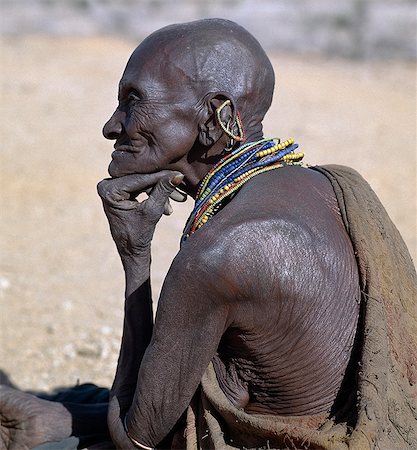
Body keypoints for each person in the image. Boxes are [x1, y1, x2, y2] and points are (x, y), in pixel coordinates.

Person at [1, 18, 416, 450]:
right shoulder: (325, 185)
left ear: (216, 118)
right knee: (79, 402)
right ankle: (53, 418)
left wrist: (134, 256)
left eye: (133, 102)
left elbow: (135, 438)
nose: (111, 125)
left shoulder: (218, 255)